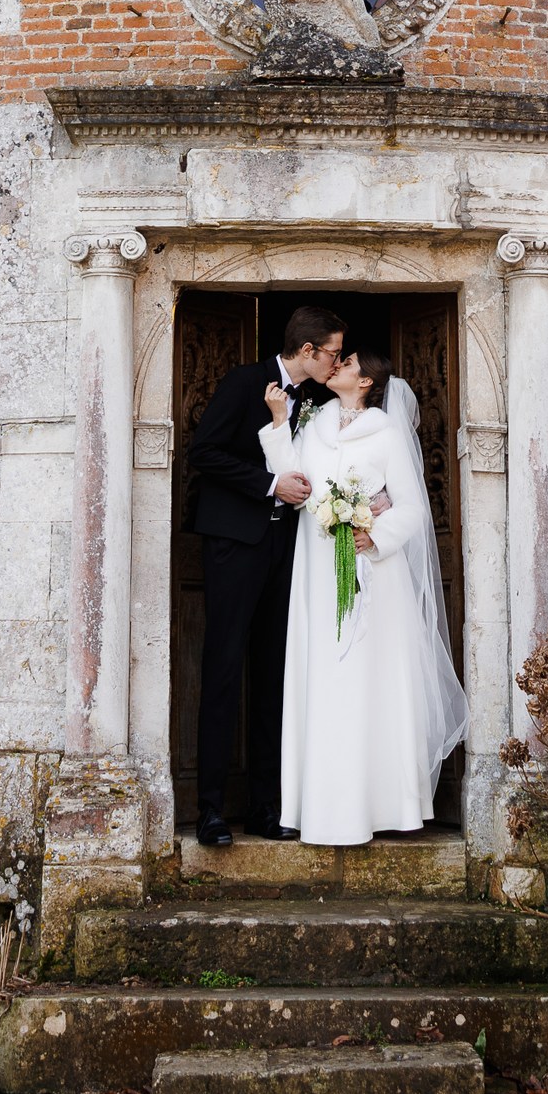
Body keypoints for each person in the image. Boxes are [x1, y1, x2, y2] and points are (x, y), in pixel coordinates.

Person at [261, 344, 468, 846]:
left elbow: (414, 508)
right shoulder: (314, 423)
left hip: (374, 573)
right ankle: (320, 807)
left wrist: (374, 535)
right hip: (317, 568)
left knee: (369, 678)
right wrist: (277, 421)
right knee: (323, 675)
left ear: (367, 381)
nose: (338, 366)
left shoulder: (388, 433)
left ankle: (383, 805)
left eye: (348, 363)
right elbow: (294, 479)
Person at [185, 304, 344, 848]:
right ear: (307, 351)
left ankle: (264, 808)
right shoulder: (245, 382)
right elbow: (204, 453)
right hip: (234, 544)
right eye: (332, 353)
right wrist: (268, 485)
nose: (337, 362)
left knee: (276, 675)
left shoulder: (319, 401)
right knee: (225, 667)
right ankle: (210, 810)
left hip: (288, 548)